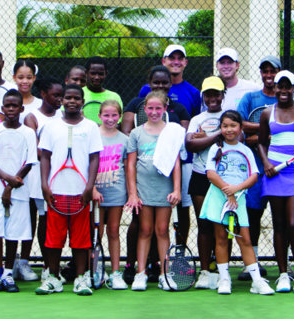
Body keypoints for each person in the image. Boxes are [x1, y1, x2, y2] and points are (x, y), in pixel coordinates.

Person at [120, 65, 190, 283]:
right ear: (144, 109)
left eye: (158, 108)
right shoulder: (135, 133)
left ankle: (164, 274)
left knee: (162, 230)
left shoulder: (172, 132)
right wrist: (133, 194)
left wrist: (177, 189)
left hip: (165, 190)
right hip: (143, 191)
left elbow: (176, 163)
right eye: (149, 108)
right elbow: (130, 165)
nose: (153, 112)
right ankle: (140, 274)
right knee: (145, 230)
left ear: (165, 109)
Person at [199, 110, 274, 295]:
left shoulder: (246, 150)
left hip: (238, 201)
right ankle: (224, 280)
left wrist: (236, 189)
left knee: (245, 240)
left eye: (233, 126)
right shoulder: (215, 149)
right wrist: (227, 190)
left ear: (240, 128)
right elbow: (211, 173)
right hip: (219, 199)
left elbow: (254, 175)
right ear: (220, 128)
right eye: (225, 126)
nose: (229, 129)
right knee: (222, 238)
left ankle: (257, 281)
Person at [40, 84, 103, 296]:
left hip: (81, 193)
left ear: (82, 102)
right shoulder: (51, 127)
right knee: (54, 239)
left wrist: (89, 186)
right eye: (68, 97)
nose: (72, 101)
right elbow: (45, 157)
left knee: (81, 239)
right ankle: (53, 278)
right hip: (56, 192)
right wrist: (44, 185)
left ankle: (81, 278)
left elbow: (95, 158)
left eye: (77, 98)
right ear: (62, 101)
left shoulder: (91, 127)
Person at [257, 70, 294, 293]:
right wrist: (266, 164)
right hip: (275, 174)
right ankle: (283, 275)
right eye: (279, 86)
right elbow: (261, 143)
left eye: (287, 86)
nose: (283, 90)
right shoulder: (266, 113)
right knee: (279, 225)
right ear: (275, 89)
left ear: (293, 88)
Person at [0, 89, 39, 294]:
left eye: (15, 106)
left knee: (13, 233)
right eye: (8, 105)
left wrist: (12, 186)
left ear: (21, 108)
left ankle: (8, 275)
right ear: (2, 108)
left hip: (20, 191)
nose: (11, 109)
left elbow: (30, 162)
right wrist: (6, 180)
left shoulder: (28, 132)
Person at [235, 55, 280, 281]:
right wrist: (268, 131)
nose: (269, 75)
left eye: (273, 71)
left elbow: (289, 126)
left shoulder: (285, 97)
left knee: (281, 217)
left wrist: (258, 135)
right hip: (253, 168)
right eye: (265, 71)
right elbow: (239, 123)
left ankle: (285, 266)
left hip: (280, 167)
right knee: (252, 215)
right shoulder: (250, 97)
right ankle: (250, 263)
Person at [0, 60, 42, 282]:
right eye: (20, 76)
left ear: (34, 78)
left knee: (30, 215)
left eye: (29, 77)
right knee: (7, 216)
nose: (24, 81)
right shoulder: (6, 102)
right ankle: (6, 263)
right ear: (14, 77)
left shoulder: (41, 105)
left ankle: (23, 262)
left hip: (31, 171)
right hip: (6, 170)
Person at [24, 76, 66, 292]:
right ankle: (48, 266)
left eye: (62, 95)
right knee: (45, 218)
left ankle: (54, 266)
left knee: (55, 220)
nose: (60, 99)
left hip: (62, 176)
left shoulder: (64, 116)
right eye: (55, 95)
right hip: (39, 175)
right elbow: (38, 150)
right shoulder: (32, 117)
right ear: (43, 95)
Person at [185, 76, 226, 289]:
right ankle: (205, 271)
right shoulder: (197, 118)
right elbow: (190, 145)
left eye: (216, 93)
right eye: (208, 94)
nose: (212, 98)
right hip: (200, 175)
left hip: (224, 177)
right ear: (203, 96)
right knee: (204, 225)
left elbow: (235, 137)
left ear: (222, 95)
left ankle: (222, 270)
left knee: (223, 224)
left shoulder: (229, 116)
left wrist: (204, 138)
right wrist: (216, 135)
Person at [92, 100, 129, 290]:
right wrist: (92, 189)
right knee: (95, 235)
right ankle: (96, 270)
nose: (110, 119)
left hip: (116, 193)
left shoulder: (124, 139)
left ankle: (115, 273)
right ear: (99, 116)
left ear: (120, 116)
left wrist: (130, 194)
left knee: (113, 231)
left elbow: (128, 168)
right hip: (95, 194)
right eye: (106, 115)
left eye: (114, 115)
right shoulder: (92, 136)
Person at [82, 56, 124, 124]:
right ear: (86, 73)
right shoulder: (78, 94)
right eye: (93, 73)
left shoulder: (114, 97)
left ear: (106, 74)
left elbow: (117, 124)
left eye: (100, 74)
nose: (97, 77)